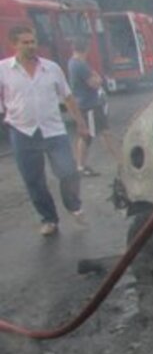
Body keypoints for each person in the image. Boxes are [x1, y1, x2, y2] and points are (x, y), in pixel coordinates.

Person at [0, 25, 88, 236]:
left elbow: (67, 96)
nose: (31, 46)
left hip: (53, 129)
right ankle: (49, 219)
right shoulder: (3, 69)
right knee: (34, 179)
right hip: (22, 131)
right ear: (14, 44)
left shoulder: (51, 68)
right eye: (26, 42)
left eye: (33, 42)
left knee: (68, 172)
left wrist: (80, 122)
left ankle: (73, 205)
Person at [67, 37, 115, 176]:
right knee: (102, 134)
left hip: (84, 103)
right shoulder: (80, 65)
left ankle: (80, 166)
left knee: (86, 136)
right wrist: (98, 78)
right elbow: (94, 83)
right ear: (87, 48)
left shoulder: (72, 62)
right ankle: (121, 162)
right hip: (90, 105)